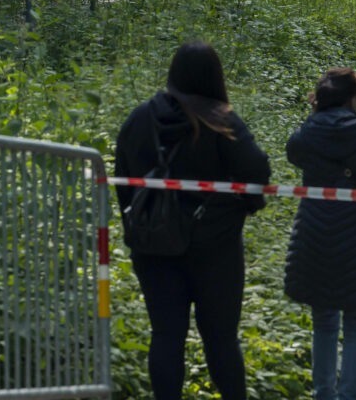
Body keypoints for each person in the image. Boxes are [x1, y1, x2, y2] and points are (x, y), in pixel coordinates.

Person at [115, 41, 271, 400]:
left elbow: (124, 179)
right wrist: (243, 208)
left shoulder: (140, 118)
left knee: (165, 335)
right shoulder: (220, 121)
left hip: (154, 246)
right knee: (221, 339)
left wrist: (140, 226)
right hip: (215, 248)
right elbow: (257, 172)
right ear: (215, 77)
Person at [284, 68, 356, 400]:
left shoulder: (307, 134)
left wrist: (314, 117)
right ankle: (350, 395)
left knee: (323, 319)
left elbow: (293, 153)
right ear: (352, 98)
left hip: (314, 236)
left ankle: (323, 394)